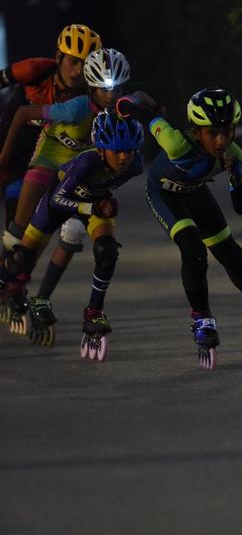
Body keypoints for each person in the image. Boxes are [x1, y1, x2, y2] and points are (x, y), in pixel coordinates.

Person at [116, 87, 242, 369]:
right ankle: (202, 319)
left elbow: (241, 207)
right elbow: (144, 114)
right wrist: (123, 105)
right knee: (193, 249)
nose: (221, 140)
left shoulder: (235, 155)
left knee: (232, 254)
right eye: (212, 133)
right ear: (197, 131)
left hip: (195, 191)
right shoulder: (176, 143)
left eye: (227, 132)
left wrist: (236, 177)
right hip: (164, 193)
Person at [0, 48, 130, 328]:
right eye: (106, 90)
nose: (112, 96)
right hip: (49, 161)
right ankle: (11, 282)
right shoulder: (76, 107)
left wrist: (156, 111)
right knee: (19, 236)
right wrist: (3, 158)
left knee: (73, 233)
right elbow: (22, 113)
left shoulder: (121, 111)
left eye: (117, 89)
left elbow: (144, 104)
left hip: (77, 171)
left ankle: (41, 298)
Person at [0, 109, 144, 349]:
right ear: (101, 149)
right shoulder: (86, 162)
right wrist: (93, 206)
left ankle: (94, 312)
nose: (124, 158)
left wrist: (100, 204)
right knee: (21, 259)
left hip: (94, 203)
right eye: (117, 151)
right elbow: (58, 200)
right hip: (60, 202)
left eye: (129, 151)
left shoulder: (135, 165)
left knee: (107, 250)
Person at [0, 24, 102, 254]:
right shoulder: (35, 70)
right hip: (11, 140)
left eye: (85, 64)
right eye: (73, 61)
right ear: (58, 57)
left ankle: (15, 271)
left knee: (25, 228)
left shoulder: (90, 93)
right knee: (15, 226)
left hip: (43, 151)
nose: (78, 71)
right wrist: (3, 157)